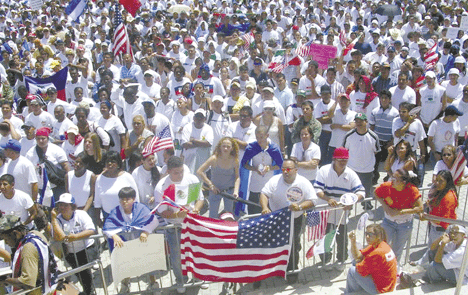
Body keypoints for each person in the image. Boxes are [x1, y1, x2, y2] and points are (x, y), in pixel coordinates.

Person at [260, 159, 316, 284]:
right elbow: (264, 194)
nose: (286, 172)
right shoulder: (274, 181)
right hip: (277, 219)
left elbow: (313, 200)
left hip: (295, 219)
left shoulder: (303, 182)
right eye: (284, 169)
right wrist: (265, 207)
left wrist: (300, 207)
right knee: (279, 244)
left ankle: (292, 271)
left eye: (289, 169)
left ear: (296, 170)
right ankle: (279, 269)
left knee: (294, 245)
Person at [154, 156, 204, 294]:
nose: (180, 175)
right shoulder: (161, 187)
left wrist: (196, 209)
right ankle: (181, 280)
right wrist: (177, 215)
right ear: (168, 171)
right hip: (174, 227)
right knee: (176, 256)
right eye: (176, 172)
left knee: (196, 252)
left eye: (181, 171)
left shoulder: (191, 179)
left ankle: (198, 277)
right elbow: (162, 212)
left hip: (192, 224)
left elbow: (200, 199)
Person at [314, 147, 365, 268]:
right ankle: (325, 260)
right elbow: (317, 189)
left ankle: (341, 260)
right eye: (340, 160)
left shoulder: (351, 173)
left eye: (345, 160)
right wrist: (328, 199)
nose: (342, 162)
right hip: (325, 210)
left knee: (342, 238)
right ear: (334, 159)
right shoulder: (324, 170)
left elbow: (361, 191)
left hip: (342, 211)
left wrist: (352, 201)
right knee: (325, 237)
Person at [103, 187, 159, 293]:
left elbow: (154, 221)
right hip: (126, 244)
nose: (124, 202)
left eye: (127, 199)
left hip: (143, 243)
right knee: (126, 265)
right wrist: (114, 235)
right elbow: (107, 227)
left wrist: (146, 231)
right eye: (122, 199)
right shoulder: (115, 211)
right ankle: (125, 285)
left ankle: (153, 283)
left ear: (133, 199)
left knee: (150, 264)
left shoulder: (141, 208)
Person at [50, 193, 96, 295]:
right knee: (80, 275)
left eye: (66, 205)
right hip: (71, 253)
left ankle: (89, 292)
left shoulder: (81, 214)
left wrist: (75, 237)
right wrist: (53, 218)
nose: (62, 207)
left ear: (73, 206)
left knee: (85, 273)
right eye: (61, 205)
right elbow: (59, 237)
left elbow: (91, 230)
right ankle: (88, 292)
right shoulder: (57, 220)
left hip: (87, 248)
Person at [374, 168, 424, 264]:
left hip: (405, 224)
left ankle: (394, 269)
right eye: (393, 177)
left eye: (396, 179)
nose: (392, 180)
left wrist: (400, 212)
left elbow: (420, 207)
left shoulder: (412, 189)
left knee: (397, 250)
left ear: (403, 182)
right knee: (381, 245)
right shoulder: (387, 186)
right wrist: (384, 206)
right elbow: (376, 193)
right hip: (388, 222)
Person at [0, 214, 57, 295]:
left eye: (6, 239)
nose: (6, 243)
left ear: (16, 233)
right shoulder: (36, 234)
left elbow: (27, 283)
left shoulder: (27, 248)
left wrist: (5, 280)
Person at [239, 126, 283, 215]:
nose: (259, 140)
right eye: (257, 137)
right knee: (253, 210)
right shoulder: (251, 148)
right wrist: (254, 169)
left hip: (268, 181)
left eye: (261, 137)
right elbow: (244, 164)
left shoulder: (274, 148)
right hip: (255, 183)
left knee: (268, 209)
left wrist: (269, 168)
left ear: (267, 135)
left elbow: (280, 165)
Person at [346, 224, 397, 294]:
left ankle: (349, 293)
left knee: (352, 271)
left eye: (370, 234)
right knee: (355, 262)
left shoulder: (377, 252)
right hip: (387, 285)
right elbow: (358, 257)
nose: (367, 237)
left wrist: (361, 262)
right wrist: (353, 241)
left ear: (378, 236)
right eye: (366, 233)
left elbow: (360, 269)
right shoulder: (380, 244)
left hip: (382, 291)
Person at [197, 137, 240, 218]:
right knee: (212, 216)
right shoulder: (214, 158)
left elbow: (237, 177)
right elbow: (199, 171)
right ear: (220, 147)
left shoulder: (235, 160)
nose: (225, 148)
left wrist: (236, 191)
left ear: (232, 148)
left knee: (229, 216)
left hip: (229, 191)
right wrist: (211, 185)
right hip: (215, 191)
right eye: (223, 146)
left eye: (228, 146)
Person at [94, 151, 139, 227]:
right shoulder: (99, 179)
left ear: (118, 163)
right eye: (107, 161)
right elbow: (97, 201)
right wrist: (98, 219)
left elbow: (136, 198)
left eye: (113, 161)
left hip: (127, 217)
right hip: (108, 217)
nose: (110, 164)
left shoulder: (127, 177)